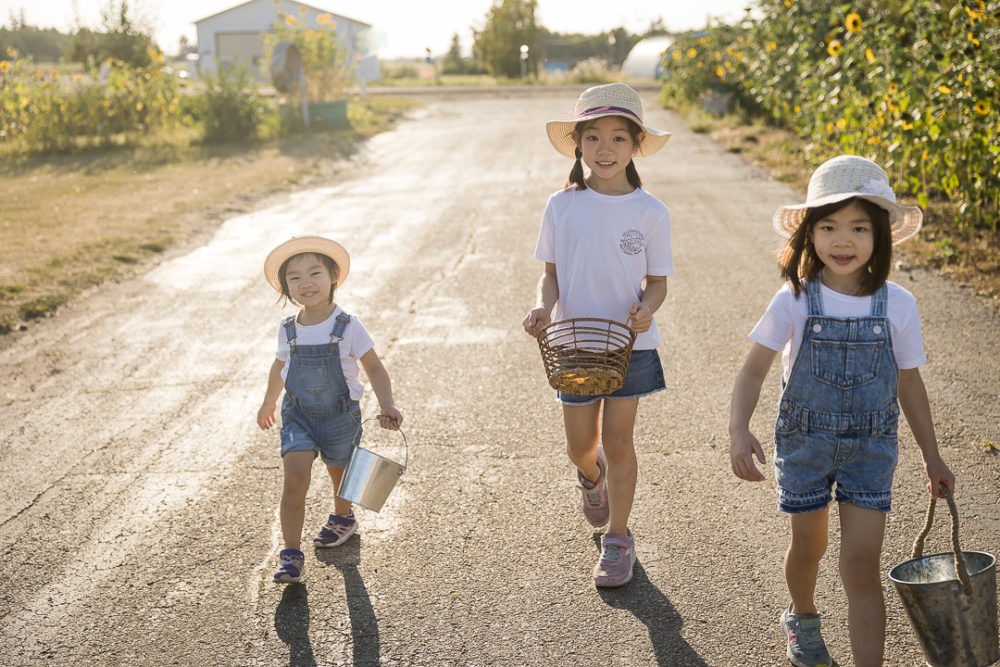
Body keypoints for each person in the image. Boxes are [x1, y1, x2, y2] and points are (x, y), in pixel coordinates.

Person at [728, 155, 955, 667]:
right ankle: (803, 616)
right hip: (805, 443)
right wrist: (738, 429)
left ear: (881, 236)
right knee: (809, 548)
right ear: (809, 234)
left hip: (871, 449)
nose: (842, 240)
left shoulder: (898, 304)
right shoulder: (795, 299)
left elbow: (910, 383)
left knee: (861, 567)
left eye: (857, 227)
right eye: (828, 226)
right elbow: (752, 371)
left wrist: (932, 457)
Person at [523, 83, 673, 587]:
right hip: (574, 346)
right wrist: (542, 307)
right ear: (578, 145)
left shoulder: (651, 211)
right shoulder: (562, 206)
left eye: (617, 138)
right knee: (580, 446)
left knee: (620, 441)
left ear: (634, 146)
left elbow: (658, 285)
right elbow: (551, 275)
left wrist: (646, 311)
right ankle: (591, 477)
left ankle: (619, 538)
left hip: (630, 347)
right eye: (593, 138)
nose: (605, 149)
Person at [257, 236, 403, 584]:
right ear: (286, 287)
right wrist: (268, 400)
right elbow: (280, 367)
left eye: (314, 273)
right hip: (298, 416)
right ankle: (291, 555)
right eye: (294, 277)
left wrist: (387, 403)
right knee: (294, 479)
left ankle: (343, 517)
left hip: (340, 416)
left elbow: (375, 368)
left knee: (342, 476)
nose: (305, 283)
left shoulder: (348, 325)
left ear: (333, 275)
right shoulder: (288, 329)